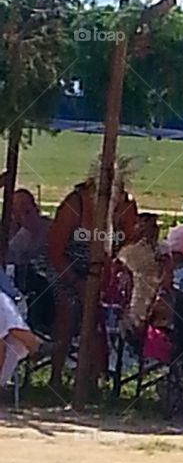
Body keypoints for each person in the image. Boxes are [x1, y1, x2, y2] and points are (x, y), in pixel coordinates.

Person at [46, 168, 139, 392]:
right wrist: (77, 282)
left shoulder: (123, 206)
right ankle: (56, 374)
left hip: (102, 272)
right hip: (64, 268)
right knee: (68, 308)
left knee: (102, 311)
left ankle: (94, 377)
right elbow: (55, 251)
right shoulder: (74, 205)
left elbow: (129, 243)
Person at [8, 189, 52, 271]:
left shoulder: (50, 228)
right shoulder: (6, 230)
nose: (22, 209)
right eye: (16, 208)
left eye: (25, 204)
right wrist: (25, 231)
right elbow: (10, 256)